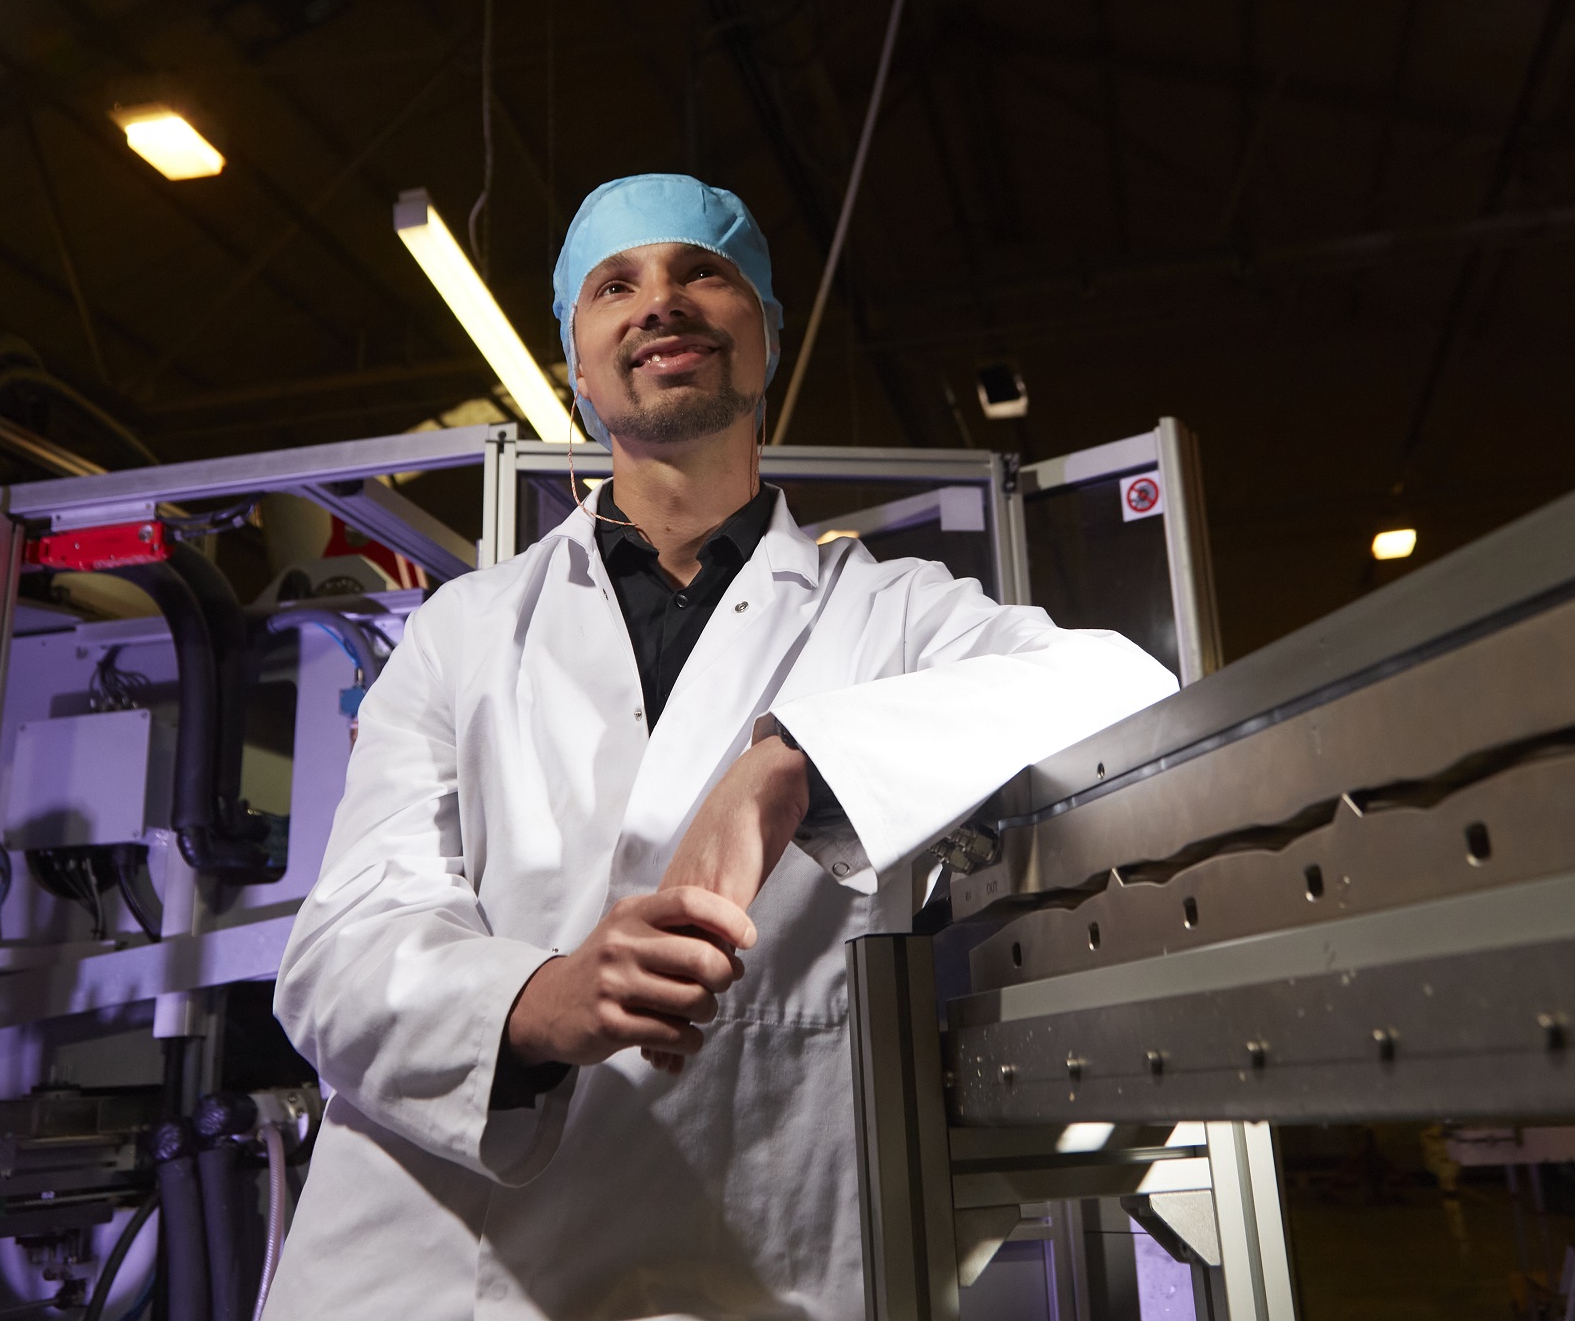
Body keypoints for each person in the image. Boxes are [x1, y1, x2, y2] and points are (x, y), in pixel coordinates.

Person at [268, 174, 1176, 1320]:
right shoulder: (465, 629)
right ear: (578, 367)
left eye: (705, 273)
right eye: (617, 285)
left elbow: (1131, 687)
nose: (663, 302)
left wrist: (792, 763)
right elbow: (340, 950)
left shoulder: (889, 615)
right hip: (444, 1273)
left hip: (749, 1262)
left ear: (765, 344)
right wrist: (542, 1001)